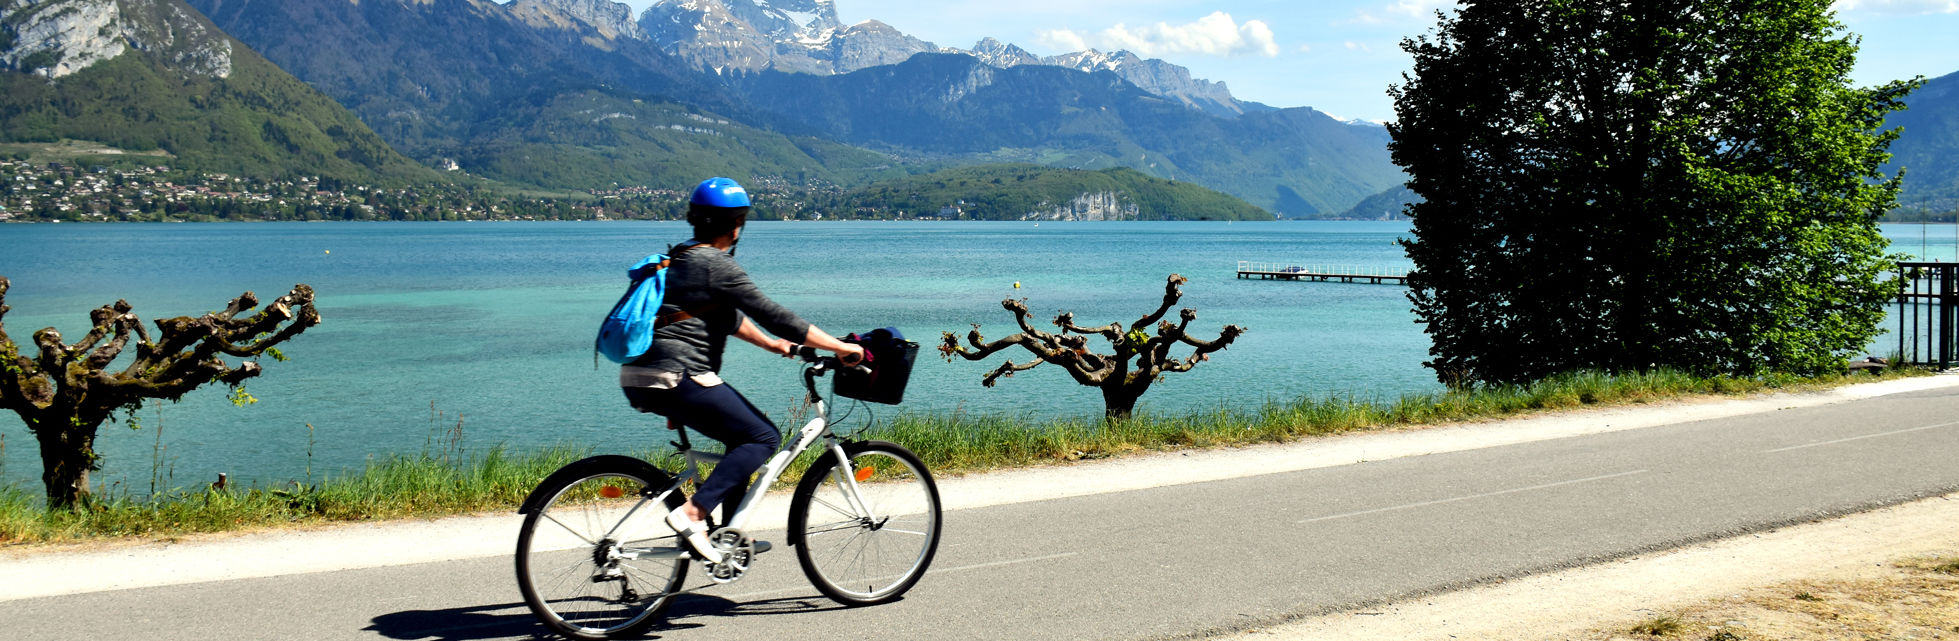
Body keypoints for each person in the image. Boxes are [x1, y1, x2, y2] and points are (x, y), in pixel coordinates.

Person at [619, 177, 863, 565]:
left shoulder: (681, 257)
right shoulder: (716, 264)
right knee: (762, 437)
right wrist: (839, 346)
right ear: (736, 225)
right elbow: (775, 315)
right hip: (678, 374)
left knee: (741, 439)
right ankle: (693, 514)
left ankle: (727, 535)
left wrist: (775, 346)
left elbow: (726, 318)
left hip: (641, 376)